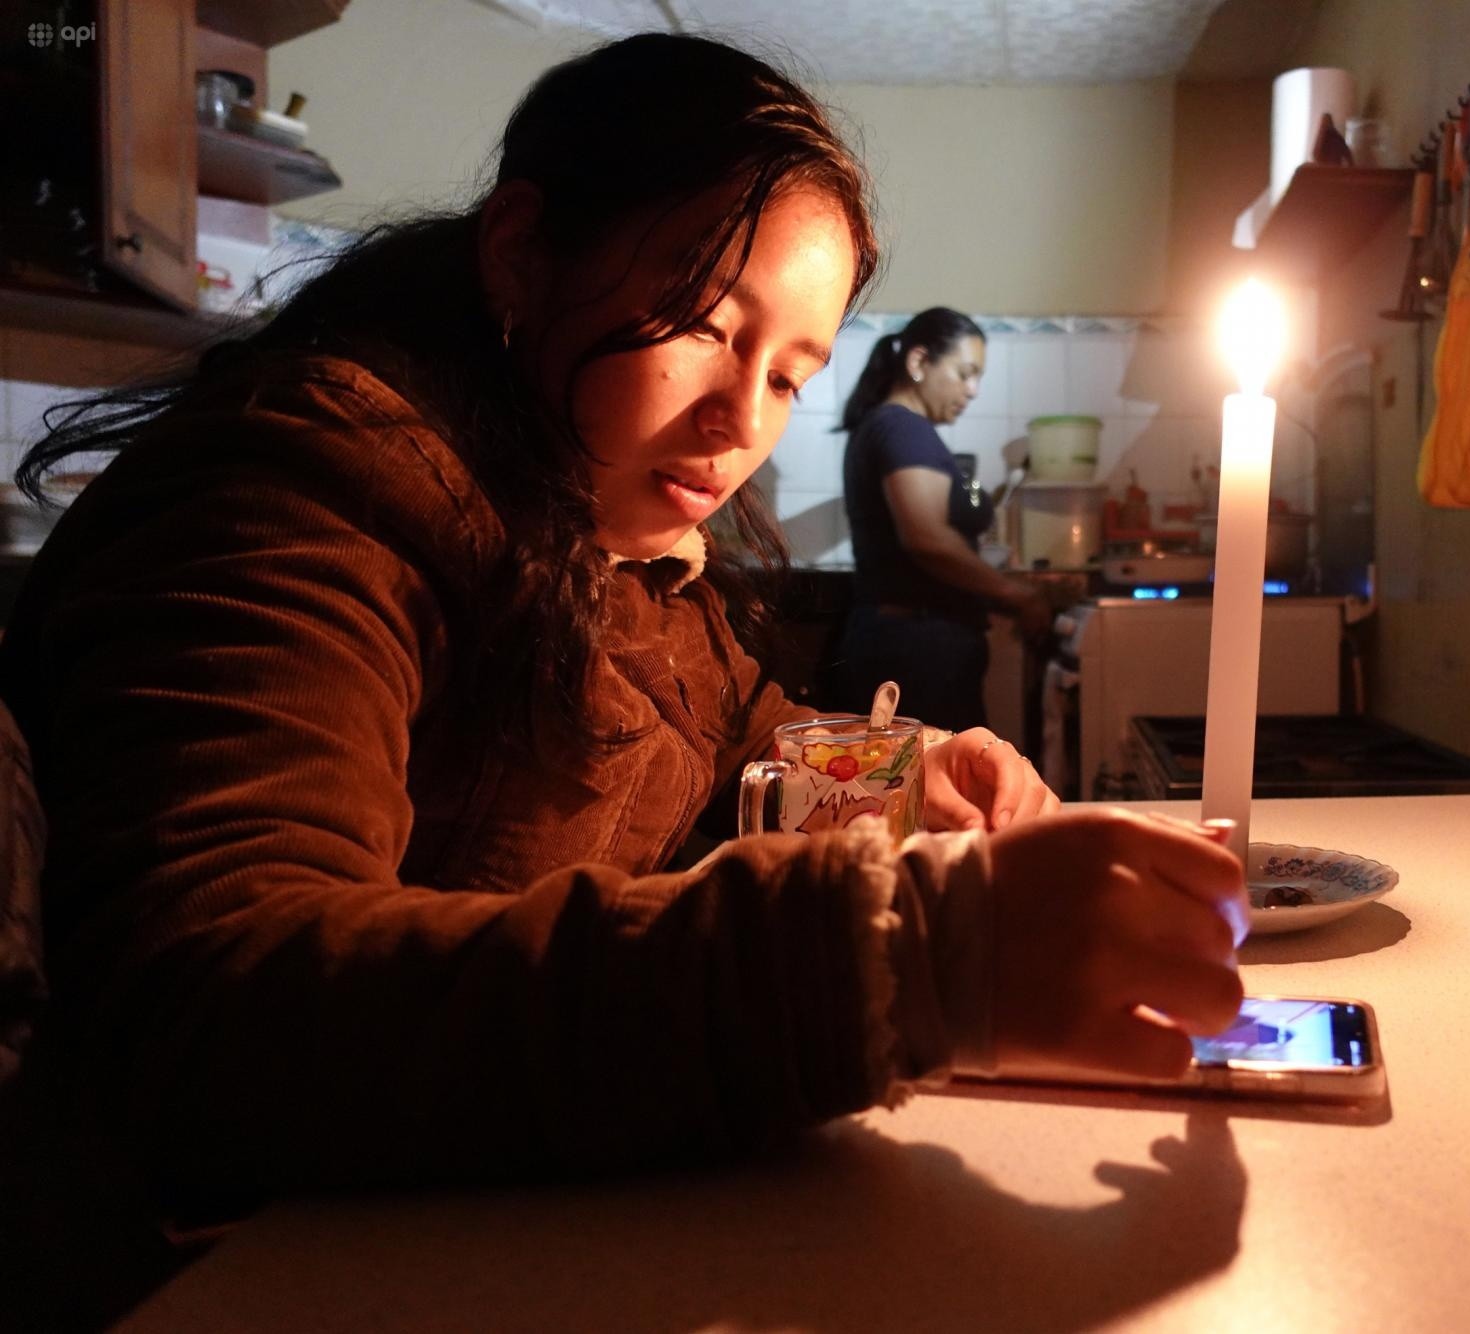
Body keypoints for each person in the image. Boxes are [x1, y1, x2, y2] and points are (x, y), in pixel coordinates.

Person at [0, 34, 1245, 1213]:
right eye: (702, 322)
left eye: (787, 375)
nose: (740, 422)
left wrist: (907, 772)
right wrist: (901, 959)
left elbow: (734, 734)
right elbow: (220, 1007)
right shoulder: (305, 489)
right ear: (520, 252)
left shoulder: (608, 534)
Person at [833, 308, 1051, 732]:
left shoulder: (890, 426)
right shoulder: (904, 429)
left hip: (908, 642)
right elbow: (927, 538)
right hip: (917, 650)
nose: (973, 390)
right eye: (965, 374)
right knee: (929, 769)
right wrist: (1019, 596)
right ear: (918, 362)